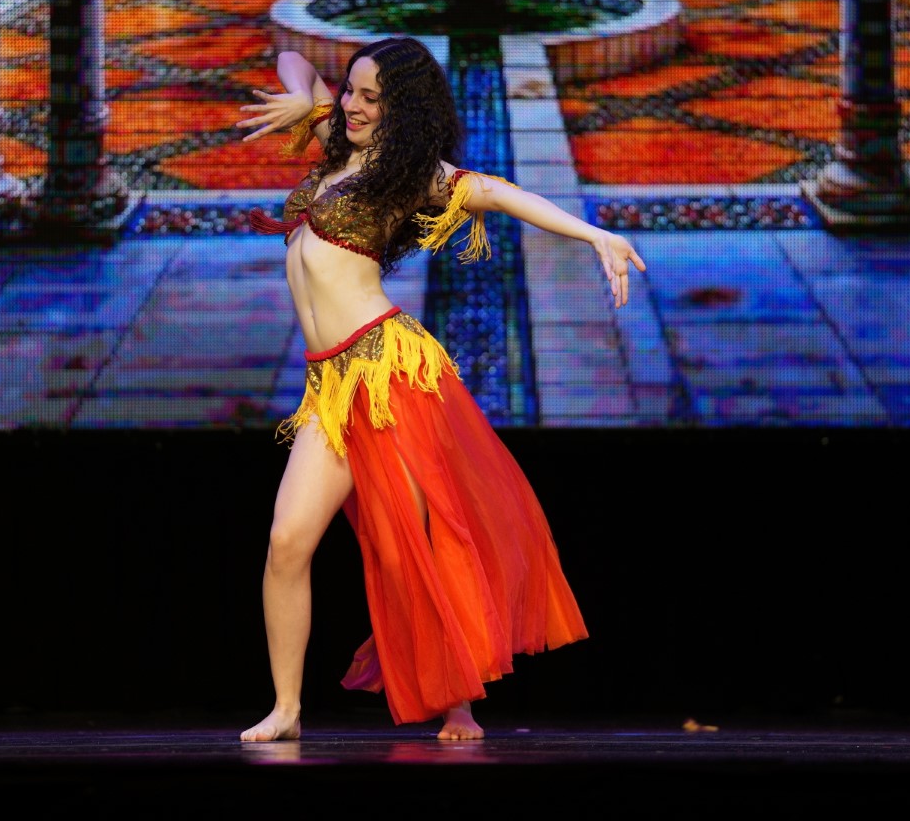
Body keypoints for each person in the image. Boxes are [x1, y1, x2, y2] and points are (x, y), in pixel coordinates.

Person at [234, 36, 646, 742]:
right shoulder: (335, 143)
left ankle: (459, 702)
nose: (354, 105)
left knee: (410, 550)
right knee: (287, 542)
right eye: (351, 89)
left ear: (402, 111)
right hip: (330, 383)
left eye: (372, 98)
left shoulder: (407, 175)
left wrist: (594, 235)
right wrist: (306, 96)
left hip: (388, 370)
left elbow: (497, 193)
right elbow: (292, 60)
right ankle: (287, 709)